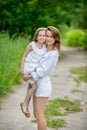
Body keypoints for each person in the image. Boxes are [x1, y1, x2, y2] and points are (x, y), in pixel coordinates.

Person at [22, 26, 60, 130]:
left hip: (43, 86)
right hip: (36, 84)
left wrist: (27, 76)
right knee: (36, 114)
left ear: (56, 38)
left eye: (51, 37)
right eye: (47, 36)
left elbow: (42, 71)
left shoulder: (53, 54)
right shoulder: (45, 48)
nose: (48, 38)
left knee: (40, 115)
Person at [20, 27, 46, 117]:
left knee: (30, 87)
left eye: (44, 35)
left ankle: (25, 106)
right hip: (29, 68)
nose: (42, 37)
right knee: (34, 87)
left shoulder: (44, 47)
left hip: (35, 69)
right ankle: (24, 103)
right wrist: (21, 69)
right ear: (36, 36)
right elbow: (24, 55)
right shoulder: (32, 45)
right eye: (40, 35)